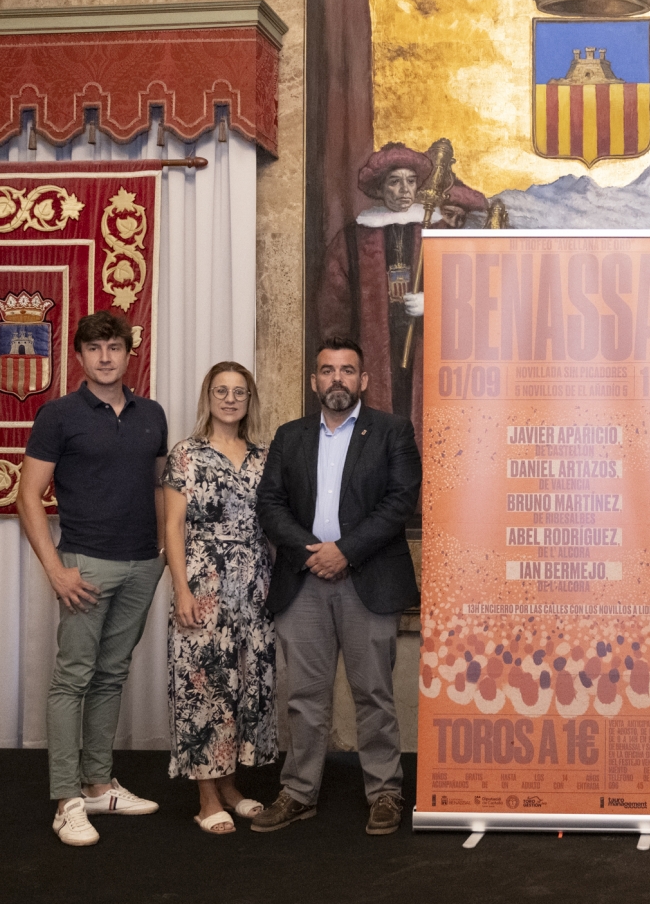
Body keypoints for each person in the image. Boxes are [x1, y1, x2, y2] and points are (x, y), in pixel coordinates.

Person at [252, 338, 422, 835]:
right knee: (305, 695)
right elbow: (270, 504)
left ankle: (385, 792)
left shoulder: (392, 431)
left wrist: (345, 550)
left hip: (366, 577)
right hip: (303, 580)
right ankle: (299, 793)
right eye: (327, 370)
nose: (338, 379)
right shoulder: (291, 436)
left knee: (373, 692)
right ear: (314, 382)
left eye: (348, 370)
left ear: (364, 380)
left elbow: (399, 501)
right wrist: (314, 552)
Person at [16, 310, 167, 847]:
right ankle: (67, 799)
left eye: (115, 348)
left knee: (111, 674)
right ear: (78, 357)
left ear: (129, 354)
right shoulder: (58, 416)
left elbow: (158, 488)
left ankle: (101, 784)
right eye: (95, 348)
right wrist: (56, 571)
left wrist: (165, 553)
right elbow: (27, 497)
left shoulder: (153, 414)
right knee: (72, 679)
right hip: (86, 566)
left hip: (143, 564)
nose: (106, 357)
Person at [162, 362, 276, 835]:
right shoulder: (186, 454)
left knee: (244, 687)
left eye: (239, 392)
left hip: (254, 589)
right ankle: (206, 797)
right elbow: (171, 526)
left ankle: (230, 786)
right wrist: (181, 588)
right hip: (203, 586)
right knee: (204, 687)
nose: (230, 399)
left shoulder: (264, 457)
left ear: (250, 400)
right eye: (221, 390)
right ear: (208, 396)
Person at [318, 142, 437, 447]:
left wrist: (434, 304)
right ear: (380, 187)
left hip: (427, 350)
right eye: (394, 182)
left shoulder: (437, 233)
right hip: (373, 354)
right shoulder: (352, 238)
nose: (404, 190)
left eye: (410, 181)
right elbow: (334, 308)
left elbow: (468, 294)